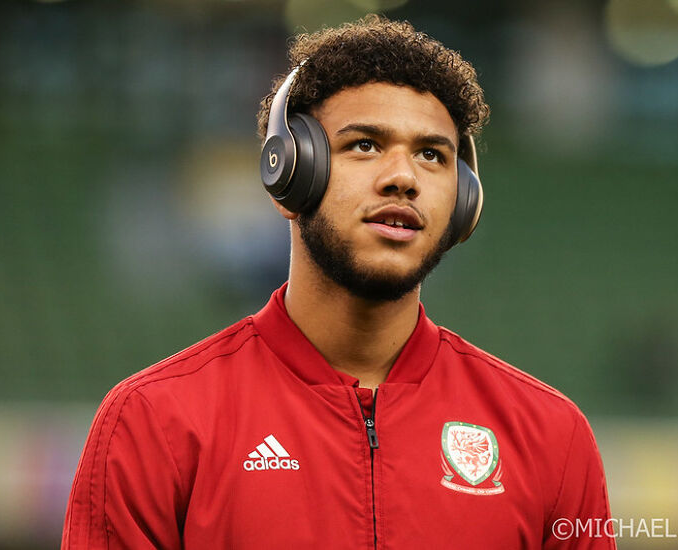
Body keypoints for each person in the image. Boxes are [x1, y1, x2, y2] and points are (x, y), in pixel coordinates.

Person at [62, 15, 614, 549]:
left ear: (464, 202)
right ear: (290, 175)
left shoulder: (550, 436)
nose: (403, 178)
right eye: (365, 145)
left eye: (431, 155)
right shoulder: (153, 423)